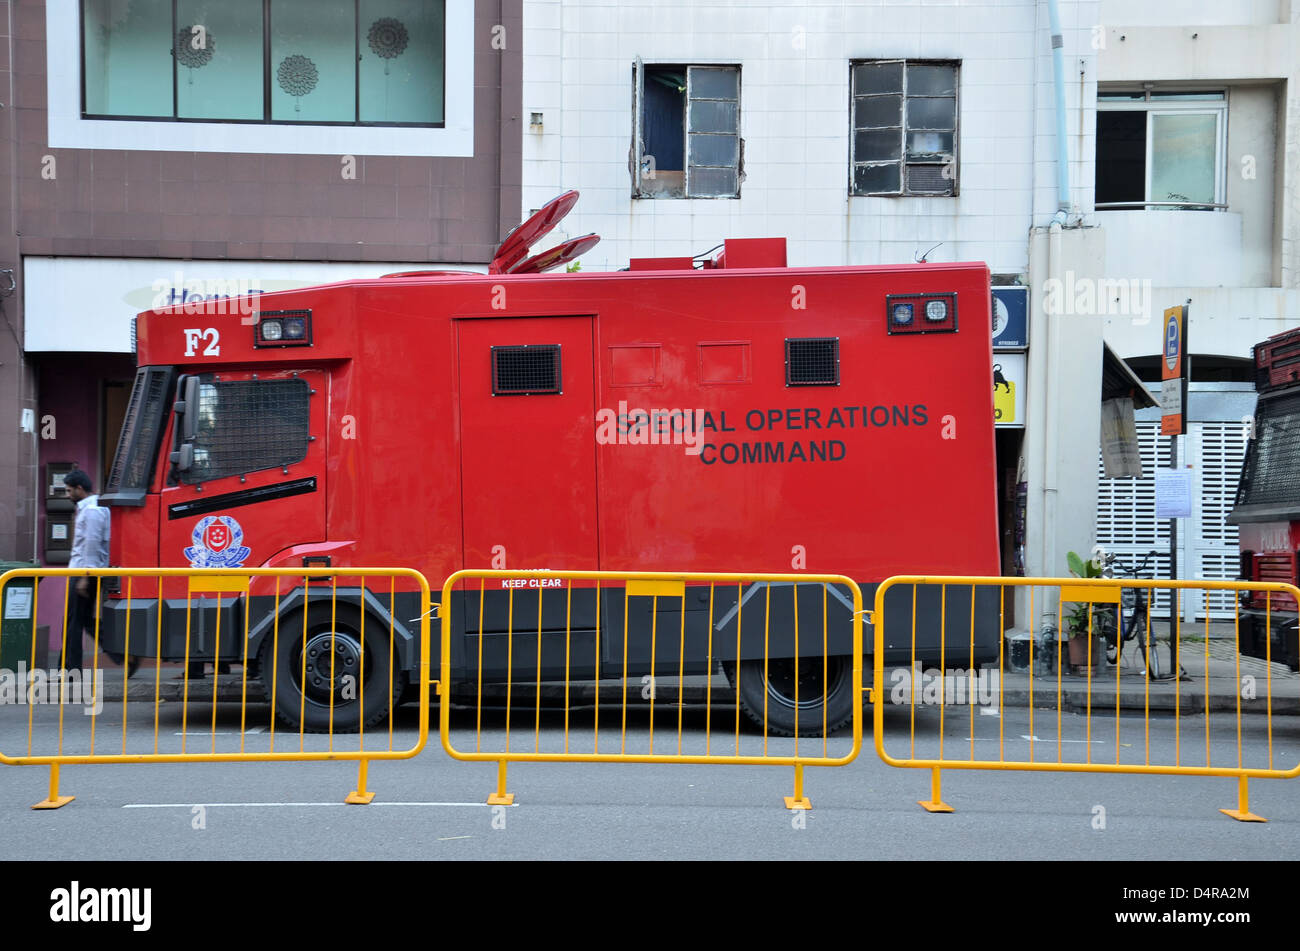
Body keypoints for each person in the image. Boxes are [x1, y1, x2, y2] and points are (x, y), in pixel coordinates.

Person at [62, 469, 110, 670]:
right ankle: (124, 654)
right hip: (84, 572)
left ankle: (70, 670)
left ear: (79, 488)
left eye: (69, 490)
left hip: (84, 572)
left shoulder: (92, 510)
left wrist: (84, 576)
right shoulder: (92, 508)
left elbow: (92, 543)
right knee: (82, 620)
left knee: (73, 622)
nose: (67, 495)